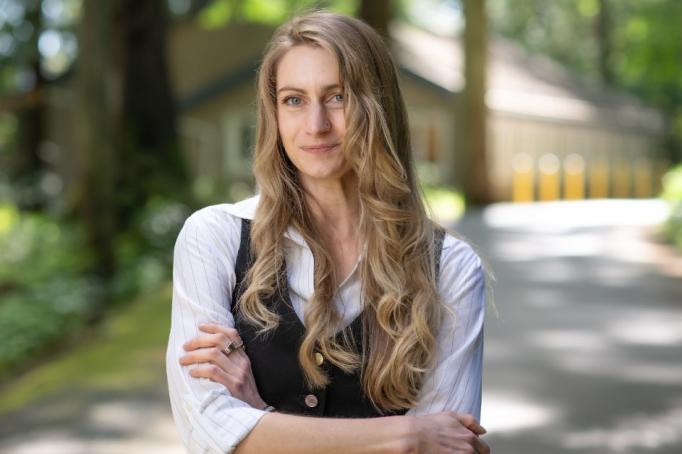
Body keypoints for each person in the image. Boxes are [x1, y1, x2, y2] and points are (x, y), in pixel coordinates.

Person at [165, 10, 490, 454]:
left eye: (336, 97)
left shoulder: (451, 268)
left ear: (377, 106)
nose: (315, 125)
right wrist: (408, 436)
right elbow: (206, 434)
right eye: (294, 100)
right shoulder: (214, 238)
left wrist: (261, 419)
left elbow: (449, 449)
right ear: (274, 115)